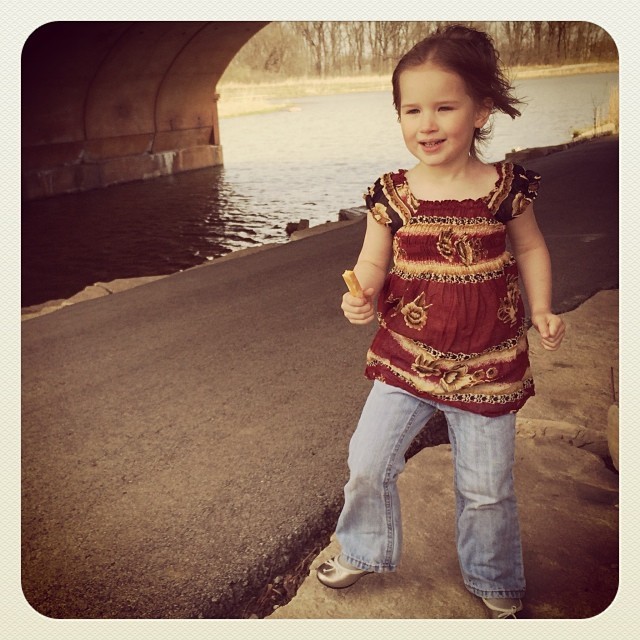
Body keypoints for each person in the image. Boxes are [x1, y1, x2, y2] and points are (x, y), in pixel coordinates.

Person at [316, 25, 566, 619]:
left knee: (487, 489)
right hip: (405, 358)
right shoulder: (393, 195)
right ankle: (362, 546)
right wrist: (363, 294)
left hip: (488, 365)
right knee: (368, 460)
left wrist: (543, 308)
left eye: (444, 108)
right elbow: (372, 261)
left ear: (481, 112)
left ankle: (493, 574)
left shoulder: (505, 189)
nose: (426, 124)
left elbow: (530, 249)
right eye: (411, 110)